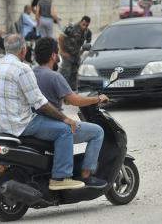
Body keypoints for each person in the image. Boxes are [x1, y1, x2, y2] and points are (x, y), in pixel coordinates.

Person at [0, 34, 84, 191]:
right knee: (65, 131)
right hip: (21, 124)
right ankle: (60, 177)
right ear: (23, 50)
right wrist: (65, 119)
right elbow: (41, 105)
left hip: (0, 126)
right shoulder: (22, 69)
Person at [33, 37, 108, 188]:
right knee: (98, 132)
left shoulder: (31, 73)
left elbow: (62, 98)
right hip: (53, 123)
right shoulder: (54, 76)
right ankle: (86, 176)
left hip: (37, 123)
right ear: (54, 56)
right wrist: (97, 99)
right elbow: (76, 101)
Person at [58, 16, 92, 90]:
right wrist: (62, 51)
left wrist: (81, 52)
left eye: (87, 25)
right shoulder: (71, 28)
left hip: (76, 56)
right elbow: (61, 38)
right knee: (65, 74)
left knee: (74, 75)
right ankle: (61, 91)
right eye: (83, 24)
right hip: (67, 54)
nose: (84, 27)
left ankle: (72, 92)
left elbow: (86, 45)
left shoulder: (87, 32)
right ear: (80, 22)